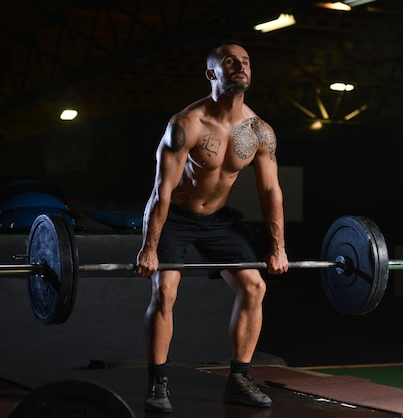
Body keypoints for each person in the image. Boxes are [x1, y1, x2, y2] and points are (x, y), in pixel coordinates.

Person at [135, 41, 289, 413]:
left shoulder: (259, 131)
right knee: (166, 291)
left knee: (254, 286)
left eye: (246, 61)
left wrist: (277, 247)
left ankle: (239, 379)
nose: (241, 66)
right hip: (176, 217)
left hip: (218, 220)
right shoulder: (186, 124)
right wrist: (150, 247)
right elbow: (161, 191)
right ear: (211, 73)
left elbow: (271, 191)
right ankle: (157, 384)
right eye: (230, 61)